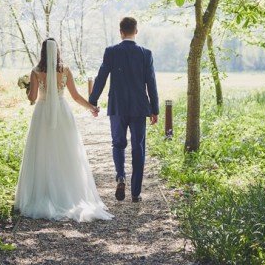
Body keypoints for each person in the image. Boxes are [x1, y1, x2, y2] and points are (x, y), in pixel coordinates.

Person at [14, 38, 113, 221]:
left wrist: (28, 89)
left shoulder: (36, 72)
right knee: (67, 153)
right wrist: (91, 107)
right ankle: (68, 194)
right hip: (62, 112)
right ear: (57, 51)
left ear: (43, 51)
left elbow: (33, 98)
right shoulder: (65, 70)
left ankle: (42, 193)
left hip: (42, 114)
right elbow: (75, 96)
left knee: (42, 152)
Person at [88, 16, 159, 203]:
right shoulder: (146, 53)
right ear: (136, 31)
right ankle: (135, 193)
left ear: (121, 32)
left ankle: (120, 176)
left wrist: (92, 101)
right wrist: (155, 109)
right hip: (139, 108)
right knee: (138, 148)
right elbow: (151, 83)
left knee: (118, 144)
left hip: (117, 106)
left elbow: (101, 77)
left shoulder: (111, 52)